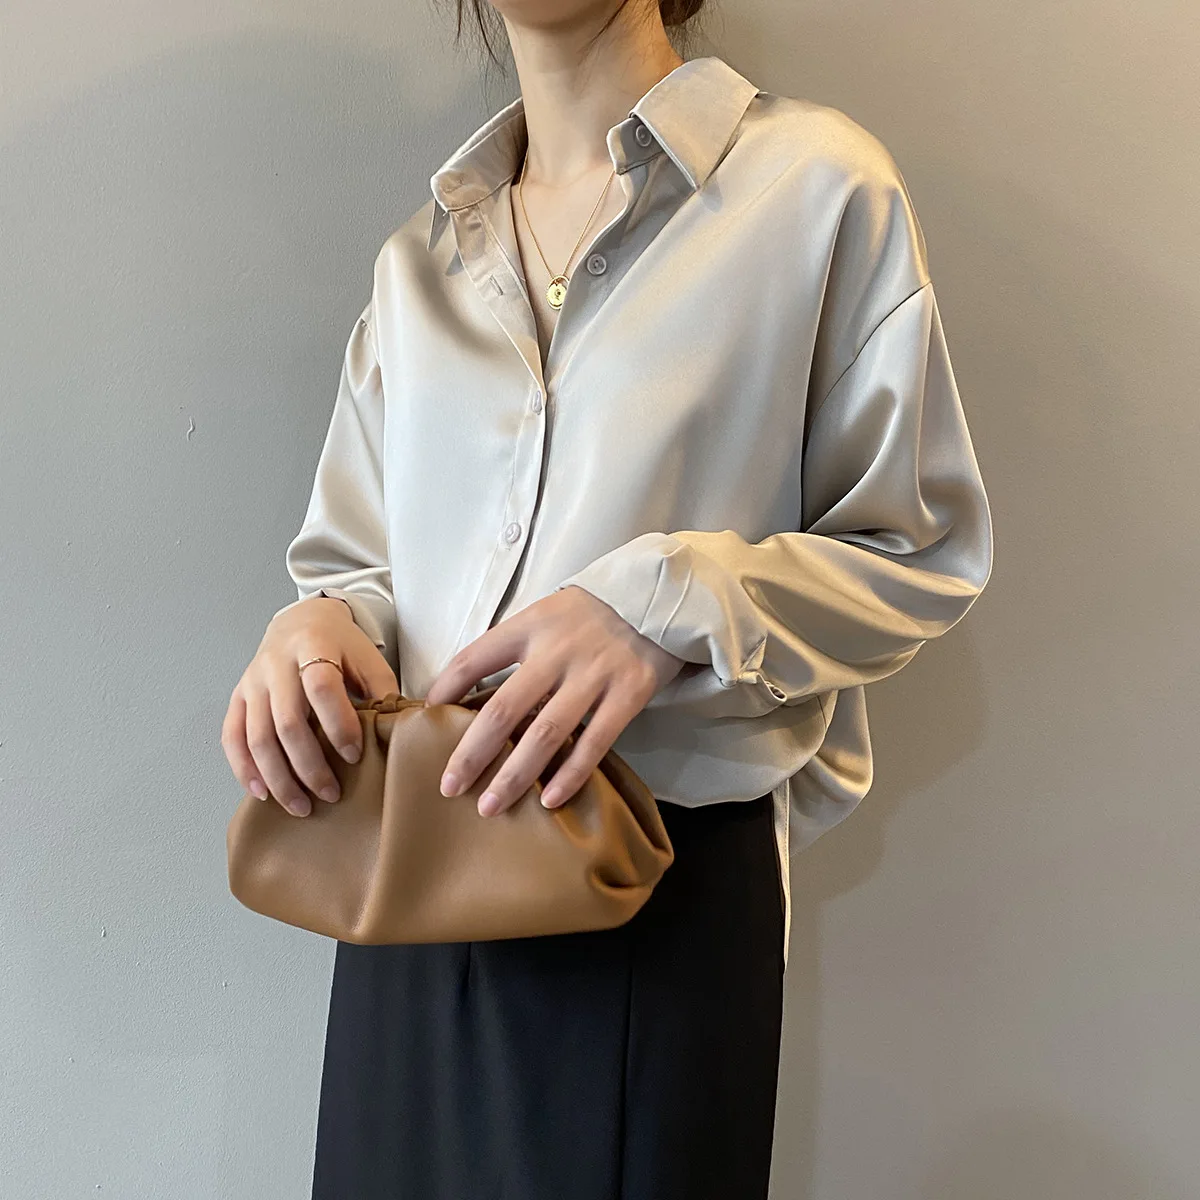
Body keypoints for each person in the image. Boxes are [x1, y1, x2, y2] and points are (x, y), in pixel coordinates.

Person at [221, 1, 994, 1196]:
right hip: (405, 896)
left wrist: (666, 605)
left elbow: (920, 548)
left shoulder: (817, 191)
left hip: (654, 904)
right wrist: (314, 630)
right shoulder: (420, 262)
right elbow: (356, 566)